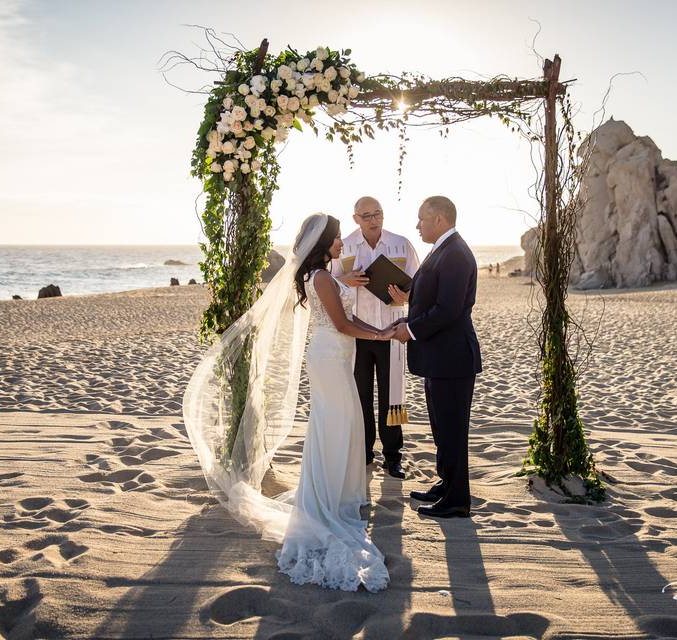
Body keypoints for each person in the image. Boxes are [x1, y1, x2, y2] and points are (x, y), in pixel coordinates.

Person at [182, 213, 392, 592]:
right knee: (337, 422)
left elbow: (333, 301)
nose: (342, 242)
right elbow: (343, 324)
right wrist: (384, 332)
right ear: (325, 241)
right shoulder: (323, 277)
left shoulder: (319, 276)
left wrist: (347, 288)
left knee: (341, 421)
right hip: (331, 354)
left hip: (335, 354)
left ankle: (340, 492)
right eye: (338, 237)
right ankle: (331, 499)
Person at [391, 196, 482, 519]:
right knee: (442, 428)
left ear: (440, 220)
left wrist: (411, 330)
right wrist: (408, 309)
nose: (418, 225)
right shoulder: (443, 249)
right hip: (439, 358)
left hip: (453, 358)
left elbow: (448, 309)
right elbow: (433, 297)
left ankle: (458, 499)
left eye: (422, 219)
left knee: (453, 430)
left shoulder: (455, 253)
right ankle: (447, 484)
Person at [332, 196, 420, 479]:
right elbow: (326, 286)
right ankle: (364, 452)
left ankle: (393, 456)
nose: (373, 220)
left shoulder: (402, 244)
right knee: (360, 396)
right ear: (355, 218)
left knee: (391, 394)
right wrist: (346, 281)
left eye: (378, 214)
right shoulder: (343, 247)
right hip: (356, 333)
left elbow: (419, 284)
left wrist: (408, 295)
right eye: (366, 216)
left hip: (392, 332)